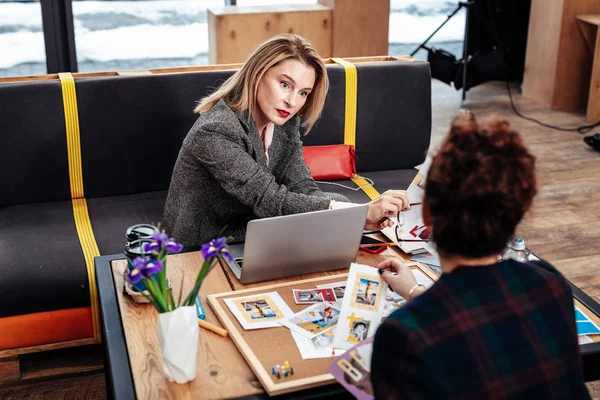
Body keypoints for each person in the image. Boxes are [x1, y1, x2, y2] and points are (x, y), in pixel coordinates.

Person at [371, 112, 590, 399]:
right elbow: (482, 318)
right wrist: (415, 292)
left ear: (426, 213)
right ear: (517, 212)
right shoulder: (549, 282)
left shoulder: (404, 336)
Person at [163, 34, 409, 246]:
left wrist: (355, 214)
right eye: (284, 84)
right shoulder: (216, 131)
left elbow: (302, 186)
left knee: (338, 212)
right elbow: (269, 199)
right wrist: (360, 213)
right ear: (257, 74)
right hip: (203, 246)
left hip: (256, 229)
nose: (292, 102)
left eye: (303, 93)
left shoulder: (284, 121)